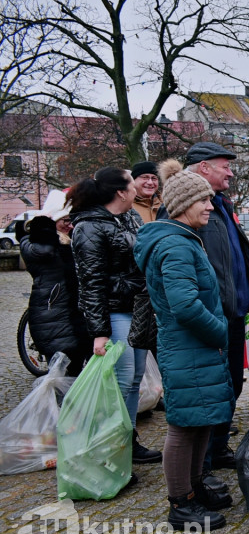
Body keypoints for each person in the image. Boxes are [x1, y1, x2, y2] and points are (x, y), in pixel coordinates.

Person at [172, 142, 249, 485]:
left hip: (233, 314)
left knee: (230, 383)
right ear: (204, 168)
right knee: (210, 391)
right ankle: (197, 471)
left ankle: (217, 449)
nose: (231, 173)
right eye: (225, 166)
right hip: (211, 319)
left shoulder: (219, 205)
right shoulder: (188, 210)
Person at [134, 159, 234, 532]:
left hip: (197, 347)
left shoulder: (183, 239)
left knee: (201, 420)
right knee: (183, 426)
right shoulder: (175, 245)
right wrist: (220, 332)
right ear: (182, 205)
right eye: (203, 201)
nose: (211, 206)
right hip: (188, 346)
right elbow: (185, 305)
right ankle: (181, 503)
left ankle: (194, 488)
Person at [68, 167, 163, 465]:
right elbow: (91, 283)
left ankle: (128, 440)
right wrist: (99, 331)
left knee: (134, 379)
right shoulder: (89, 227)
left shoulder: (129, 217)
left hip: (136, 307)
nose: (138, 187)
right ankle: (113, 450)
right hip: (114, 312)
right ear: (122, 191)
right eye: (131, 183)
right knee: (123, 381)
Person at [20, 190, 91, 376]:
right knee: (65, 367)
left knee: (81, 363)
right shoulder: (34, 240)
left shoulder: (75, 239)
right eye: (65, 220)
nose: (70, 225)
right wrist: (44, 228)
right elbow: (41, 252)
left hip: (77, 311)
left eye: (72, 219)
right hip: (53, 312)